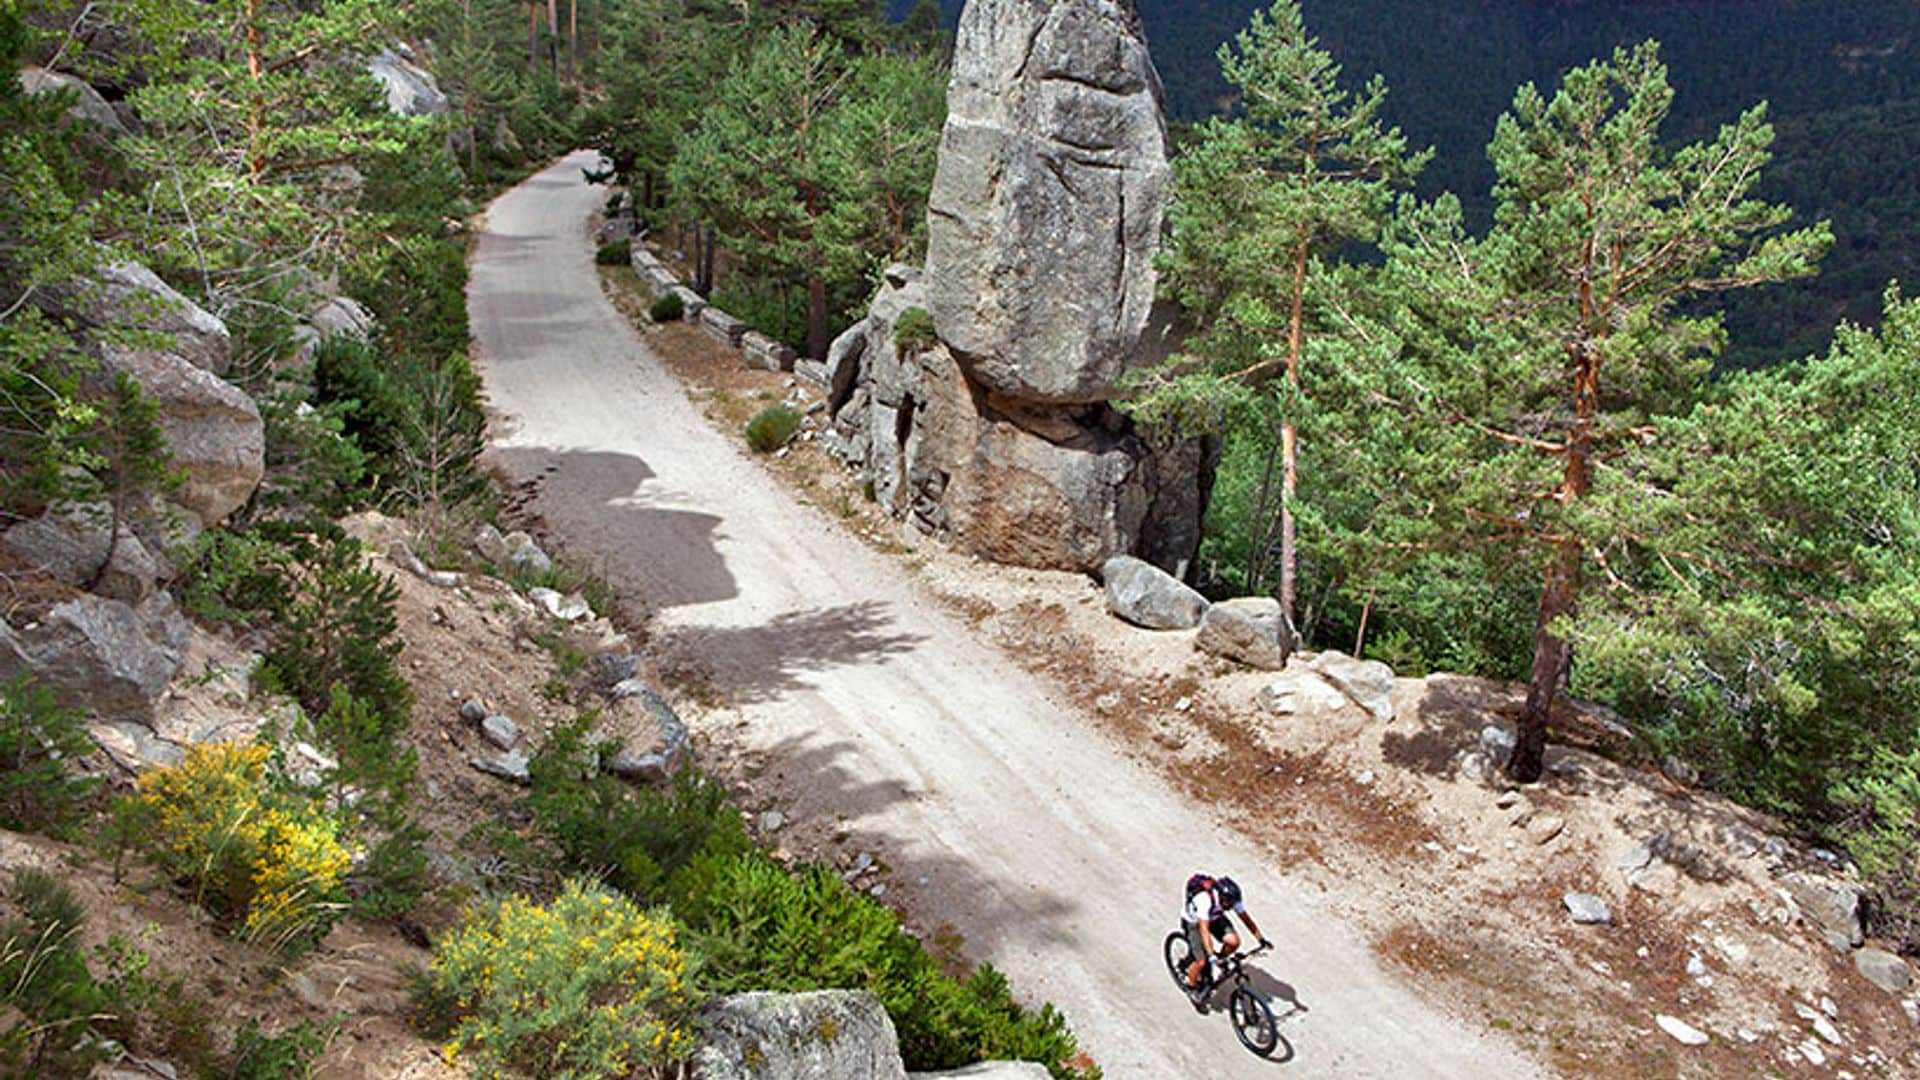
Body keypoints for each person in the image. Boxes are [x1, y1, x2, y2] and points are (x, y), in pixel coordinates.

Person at [1182, 873, 1269, 1001]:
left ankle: (1218, 961)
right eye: (1229, 905)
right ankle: (1191, 986)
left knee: (1234, 942)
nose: (1231, 907)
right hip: (1195, 923)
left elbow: (1247, 920)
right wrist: (1211, 956)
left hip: (1214, 918)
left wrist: (1261, 939)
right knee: (1201, 962)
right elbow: (1204, 930)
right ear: (1222, 898)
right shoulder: (1204, 900)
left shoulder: (1231, 900)